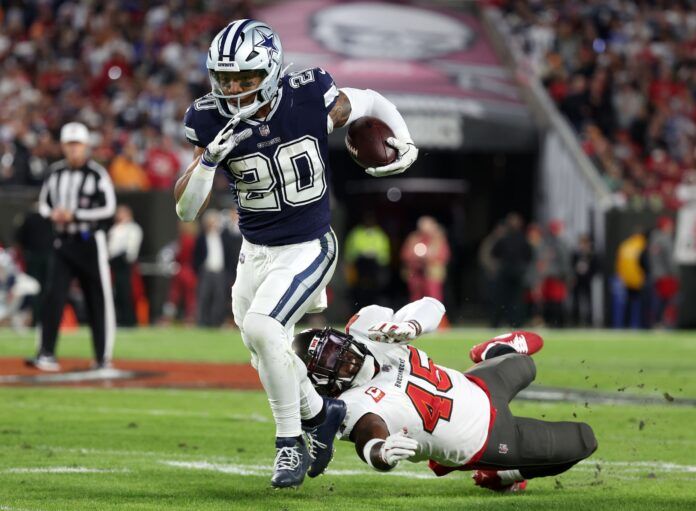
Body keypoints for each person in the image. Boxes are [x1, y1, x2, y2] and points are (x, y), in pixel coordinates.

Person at [174, 19, 418, 488]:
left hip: (307, 245)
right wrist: (207, 162)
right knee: (263, 352)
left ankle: (289, 444)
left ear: (270, 70)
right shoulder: (207, 117)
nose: (234, 88)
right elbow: (185, 210)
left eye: (245, 78)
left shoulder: (306, 96)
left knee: (264, 329)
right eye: (225, 79)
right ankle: (323, 415)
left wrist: (402, 138)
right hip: (255, 250)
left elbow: (366, 98)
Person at [292, 298, 598, 492]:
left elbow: (434, 305)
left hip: (476, 384)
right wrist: (382, 453)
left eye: (334, 344)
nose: (343, 354)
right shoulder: (355, 405)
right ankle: (498, 475)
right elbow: (369, 439)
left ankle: (490, 352)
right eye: (331, 360)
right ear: (323, 382)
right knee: (583, 441)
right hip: (483, 438)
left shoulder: (365, 328)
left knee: (526, 363)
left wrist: (409, 326)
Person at [27, 122, 117, 371]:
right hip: (63, 243)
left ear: (86, 146)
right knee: (52, 297)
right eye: (69, 144)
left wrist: (75, 214)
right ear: (63, 146)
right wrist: (53, 214)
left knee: (97, 300)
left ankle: (102, 357)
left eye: (77, 144)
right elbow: (43, 203)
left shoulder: (97, 173)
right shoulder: (55, 173)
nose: (74, 149)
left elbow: (109, 208)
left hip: (90, 243)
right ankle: (45, 353)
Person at [193, 209, 236, 327]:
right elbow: (196, 256)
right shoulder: (202, 238)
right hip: (206, 272)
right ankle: (202, 322)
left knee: (219, 297)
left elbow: (229, 255)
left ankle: (216, 322)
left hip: (220, 272)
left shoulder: (224, 237)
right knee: (204, 296)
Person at [107, 205, 143, 327]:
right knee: (117, 292)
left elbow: (132, 247)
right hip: (114, 264)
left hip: (125, 263)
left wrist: (127, 257)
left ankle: (129, 319)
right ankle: (120, 317)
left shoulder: (133, 228)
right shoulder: (115, 228)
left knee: (126, 291)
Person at [400, 216, 450, 303]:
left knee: (433, 299)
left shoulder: (438, 239)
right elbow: (405, 254)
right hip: (416, 273)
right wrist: (415, 257)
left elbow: (444, 255)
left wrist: (429, 257)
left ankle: (435, 316)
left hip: (432, 273)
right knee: (416, 300)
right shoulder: (413, 238)